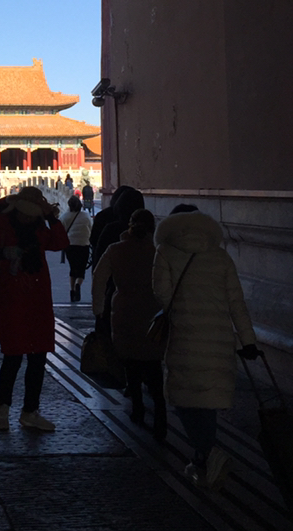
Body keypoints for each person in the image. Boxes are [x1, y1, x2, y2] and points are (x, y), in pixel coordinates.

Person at [153, 208, 259, 489]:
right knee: (207, 399)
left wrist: (179, 309)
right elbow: (236, 301)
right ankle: (203, 458)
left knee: (184, 399)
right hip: (218, 338)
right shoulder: (220, 256)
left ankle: (209, 452)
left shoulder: (165, 252)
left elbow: (161, 292)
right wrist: (248, 340)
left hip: (185, 338)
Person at [0, 187, 68, 432]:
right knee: (12, 358)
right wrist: (3, 252)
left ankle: (30, 411)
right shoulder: (1, 230)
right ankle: (2, 409)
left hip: (39, 302)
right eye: (24, 213)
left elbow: (61, 242)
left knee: (38, 359)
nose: (27, 217)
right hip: (12, 302)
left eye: (32, 213)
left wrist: (51, 217)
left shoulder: (40, 231)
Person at [92, 209, 167, 440]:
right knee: (153, 364)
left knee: (131, 362)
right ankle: (161, 413)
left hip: (124, 311)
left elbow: (98, 278)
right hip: (153, 311)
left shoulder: (115, 250)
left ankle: (137, 408)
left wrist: (98, 310)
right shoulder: (159, 251)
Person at [60, 195, 92, 301]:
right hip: (84, 244)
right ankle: (78, 284)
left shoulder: (64, 216)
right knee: (81, 268)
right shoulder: (86, 216)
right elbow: (91, 228)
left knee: (73, 268)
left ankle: (72, 290)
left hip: (70, 245)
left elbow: (61, 231)